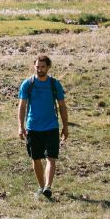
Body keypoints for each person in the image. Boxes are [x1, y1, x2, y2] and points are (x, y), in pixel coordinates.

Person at [18, 54, 68, 200]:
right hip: (33, 127)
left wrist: (65, 126)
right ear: (34, 66)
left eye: (43, 67)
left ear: (48, 67)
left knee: (51, 158)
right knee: (36, 158)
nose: (40, 69)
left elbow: (62, 106)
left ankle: (48, 187)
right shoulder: (28, 84)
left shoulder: (54, 84)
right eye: (37, 67)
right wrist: (20, 126)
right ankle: (41, 186)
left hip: (51, 126)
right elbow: (22, 106)